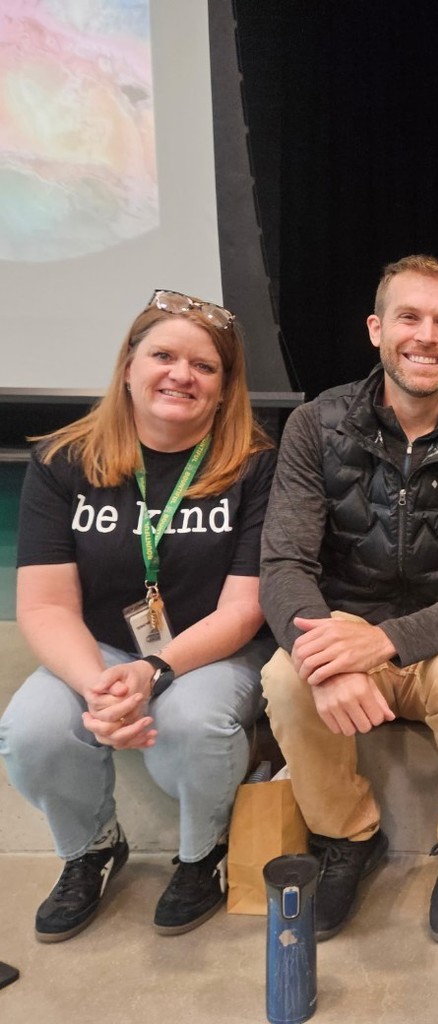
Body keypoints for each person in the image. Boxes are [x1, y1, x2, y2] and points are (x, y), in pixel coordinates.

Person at [259, 254, 438, 945]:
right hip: (348, 621)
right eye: (409, 317)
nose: (427, 335)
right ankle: (346, 838)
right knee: (285, 677)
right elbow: (283, 565)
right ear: (376, 329)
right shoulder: (315, 427)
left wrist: (382, 643)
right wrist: (323, 651)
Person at [0, 290, 277, 942]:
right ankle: (91, 848)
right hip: (104, 650)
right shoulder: (62, 462)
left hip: (216, 649)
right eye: (163, 356)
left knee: (189, 723)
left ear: (224, 387)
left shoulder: (255, 466)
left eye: (204, 366)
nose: (181, 375)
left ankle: (201, 853)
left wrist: (156, 670)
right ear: (128, 365)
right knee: (31, 730)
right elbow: (44, 604)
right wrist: (100, 685)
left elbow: (244, 609)